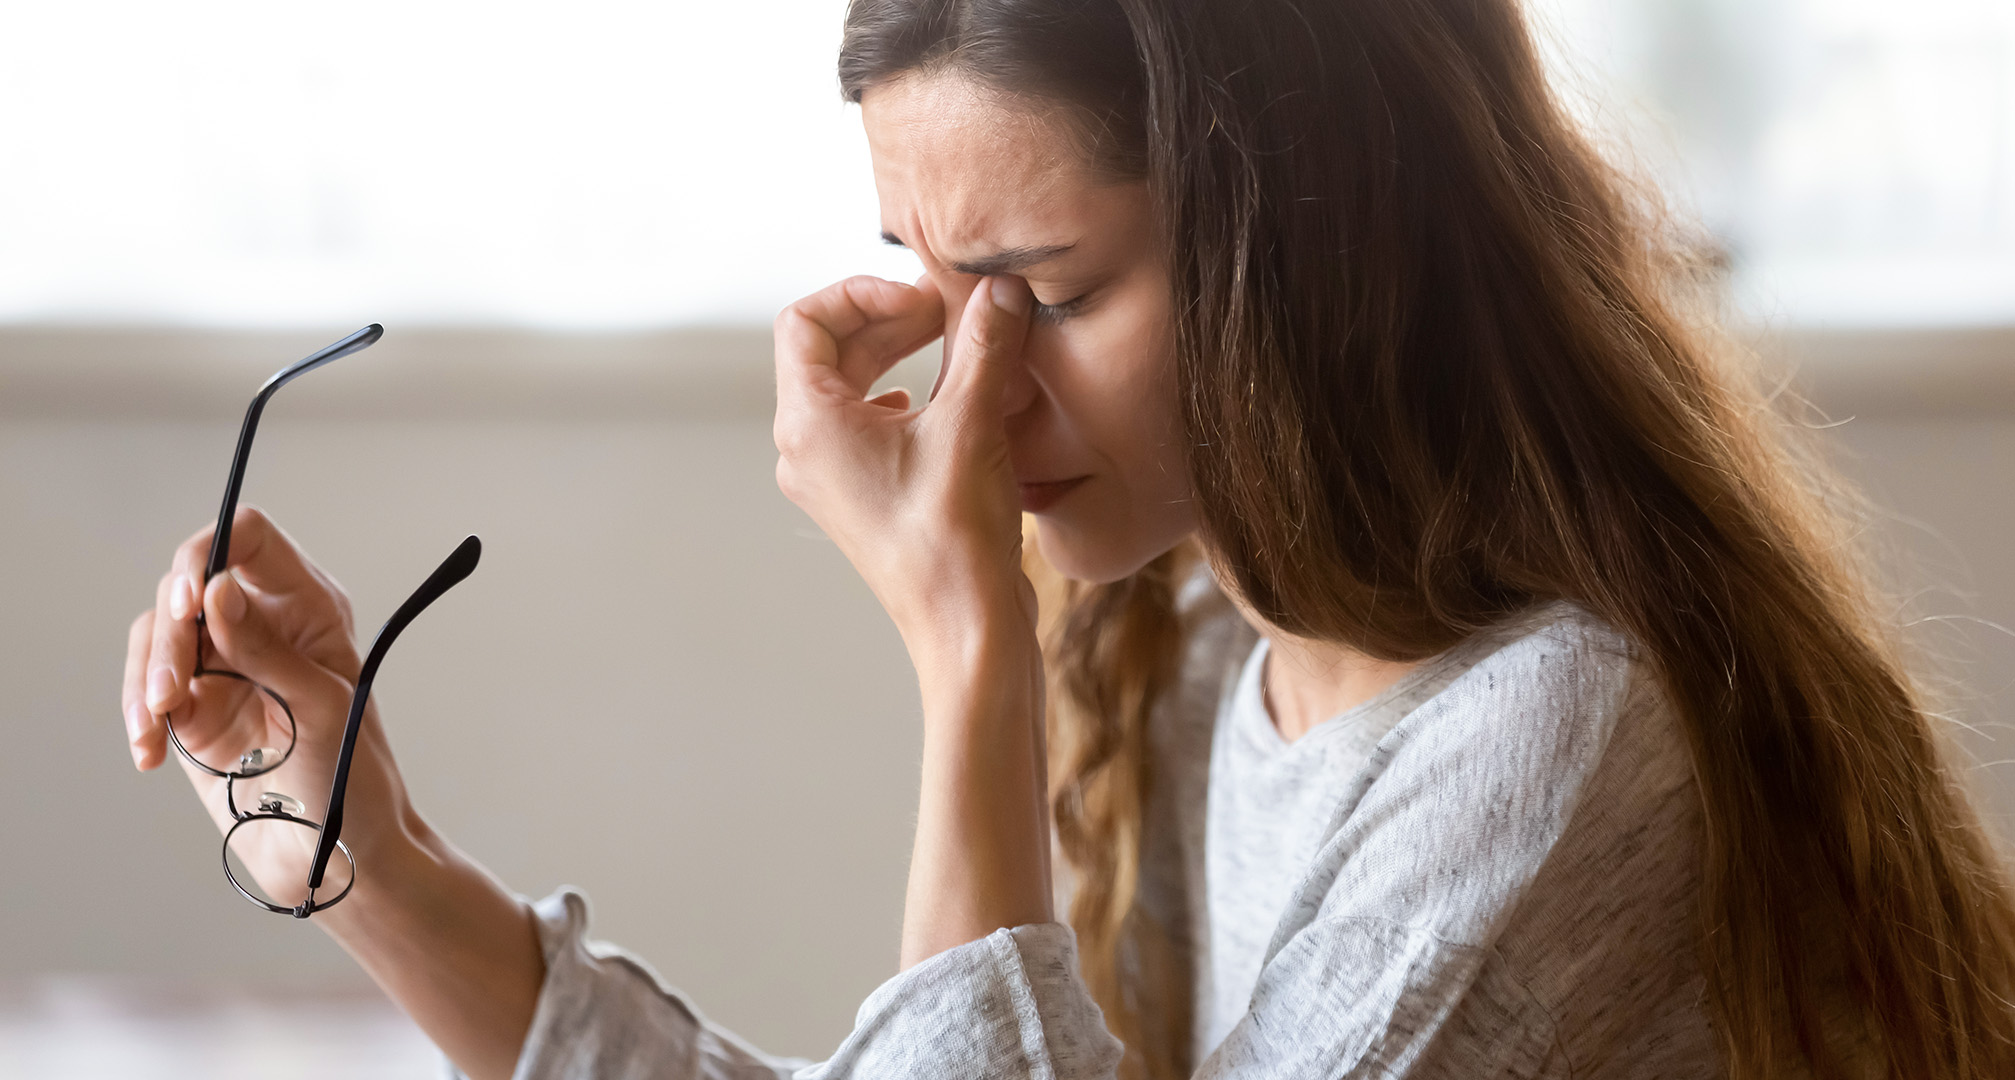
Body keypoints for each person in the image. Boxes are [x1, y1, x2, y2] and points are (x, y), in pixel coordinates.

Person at [121, 0, 2015, 1077]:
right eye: (926, 282)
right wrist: (366, 859)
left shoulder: (1551, 744)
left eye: (1045, 286)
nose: (968, 384)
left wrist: (971, 663)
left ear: (1318, 246)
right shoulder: (1200, 641)